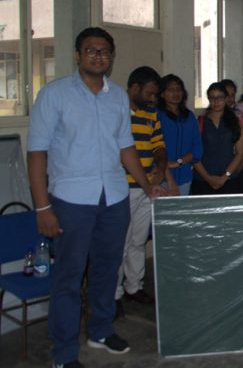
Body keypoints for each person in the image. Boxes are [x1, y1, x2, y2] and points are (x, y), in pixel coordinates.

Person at [27, 27, 165, 368]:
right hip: (71, 200)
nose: (98, 56)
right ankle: (64, 352)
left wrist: (147, 185)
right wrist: (42, 207)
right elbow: (37, 153)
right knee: (69, 276)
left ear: (111, 57)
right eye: (90, 50)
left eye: (104, 51)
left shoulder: (117, 96)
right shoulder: (54, 94)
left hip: (114, 197)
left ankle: (100, 331)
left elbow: (126, 147)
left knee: (107, 269)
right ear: (78, 55)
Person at [115, 66, 172, 315]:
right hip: (123, 189)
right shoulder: (116, 112)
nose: (153, 98)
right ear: (134, 88)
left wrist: (160, 167)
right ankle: (114, 294)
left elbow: (158, 145)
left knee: (138, 241)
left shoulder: (151, 114)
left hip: (148, 188)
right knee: (120, 243)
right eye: (149, 93)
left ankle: (133, 286)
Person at [192, 82, 243, 195]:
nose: (216, 101)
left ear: (226, 98)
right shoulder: (200, 121)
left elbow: (240, 152)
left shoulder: (236, 120)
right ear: (208, 99)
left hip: (229, 179)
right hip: (203, 179)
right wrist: (208, 178)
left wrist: (225, 176)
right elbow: (194, 154)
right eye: (212, 98)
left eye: (220, 97)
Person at [157, 74, 203, 197]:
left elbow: (198, 148)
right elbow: (154, 148)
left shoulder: (189, 116)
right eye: (171, 90)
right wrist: (167, 168)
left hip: (185, 176)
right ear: (162, 94)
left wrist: (178, 162)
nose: (176, 93)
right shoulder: (157, 115)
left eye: (178, 89)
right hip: (161, 178)